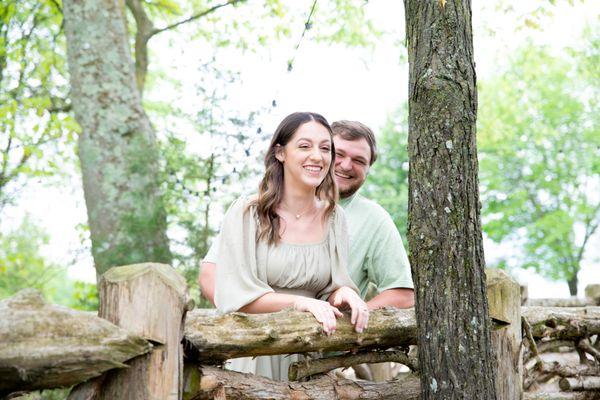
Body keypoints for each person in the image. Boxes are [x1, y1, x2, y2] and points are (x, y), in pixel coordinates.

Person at [208, 112, 369, 381]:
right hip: (253, 356)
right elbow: (235, 297)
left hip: (306, 359)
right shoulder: (247, 212)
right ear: (280, 153)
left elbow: (330, 290)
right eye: (305, 146)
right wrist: (300, 303)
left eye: (325, 148)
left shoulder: (335, 218)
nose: (317, 156)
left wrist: (344, 292)